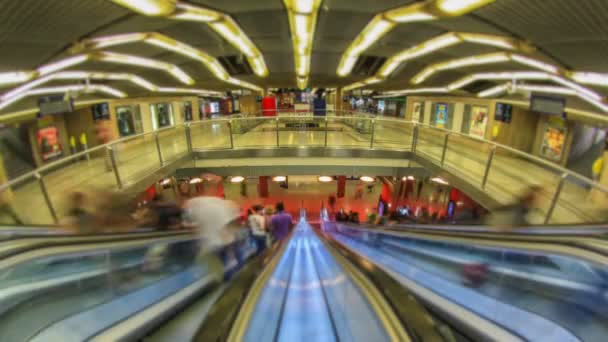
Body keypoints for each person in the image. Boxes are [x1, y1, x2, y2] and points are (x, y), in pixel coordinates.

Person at [183, 174, 242, 279]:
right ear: (217, 188)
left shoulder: (193, 203)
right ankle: (230, 282)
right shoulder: (227, 204)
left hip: (208, 245)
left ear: (200, 187)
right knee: (231, 270)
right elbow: (233, 226)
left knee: (214, 271)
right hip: (225, 244)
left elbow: (186, 223)